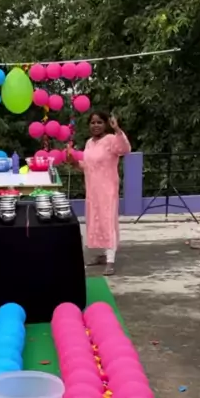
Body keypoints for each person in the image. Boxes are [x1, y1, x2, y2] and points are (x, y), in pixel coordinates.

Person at [68, 111, 131, 275]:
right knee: (96, 222)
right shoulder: (89, 143)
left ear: (105, 124)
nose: (96, 125)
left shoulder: (111, 139)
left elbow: (125, 149)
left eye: (99, 122)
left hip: (108, 189)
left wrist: (117, 130)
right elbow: (86, 166)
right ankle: (103, 254)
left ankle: (110, 261)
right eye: (93, 122)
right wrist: (73, 162)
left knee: (108, 221)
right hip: (93, 190)